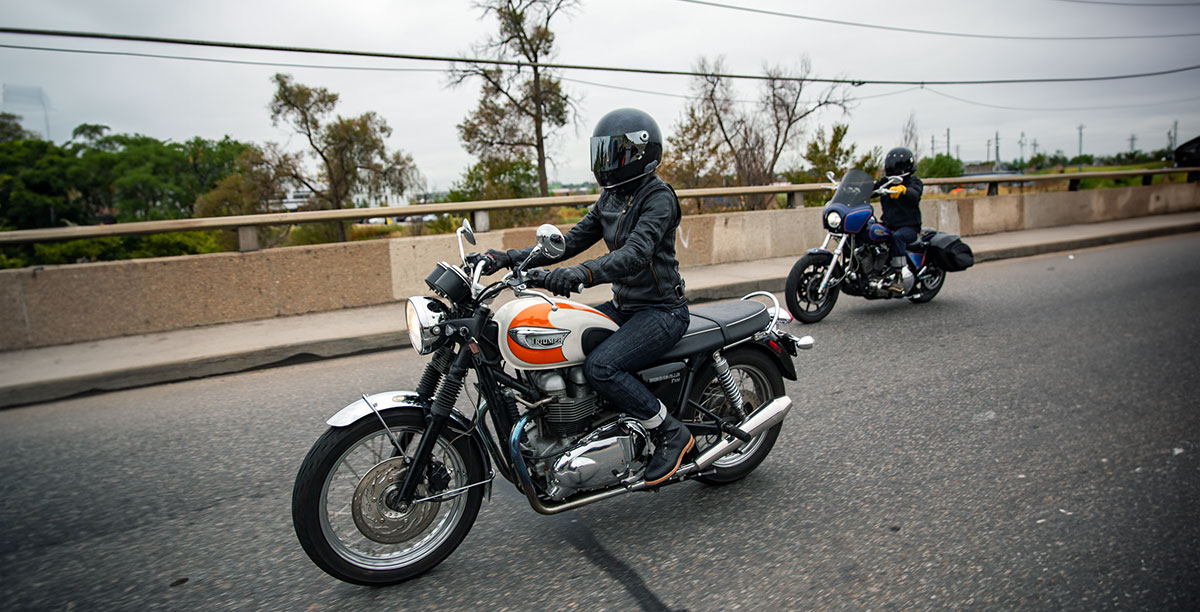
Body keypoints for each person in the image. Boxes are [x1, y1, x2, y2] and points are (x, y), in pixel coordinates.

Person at [472, 108, 693, 486]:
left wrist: (581, 274)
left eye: (615, 153)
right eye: (603, 153)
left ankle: (670, 432)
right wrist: (505, 258)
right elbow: (568, 242)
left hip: (662, 311)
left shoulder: (658, 198)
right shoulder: (611, 197)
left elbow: (635, 253)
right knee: (563, 337)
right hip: (624, 306)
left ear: (640, 153)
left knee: (602, 367)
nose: (607, 162)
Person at [874, 146, 924, 292]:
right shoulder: (886, 182)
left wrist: (904, 190)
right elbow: (872, 190)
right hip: (888, 224)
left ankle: (899, 277)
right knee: (870, 230)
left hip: (909, 227)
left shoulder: (914, 182)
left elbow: (915, 193)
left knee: (898, 237)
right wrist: (854, 190)